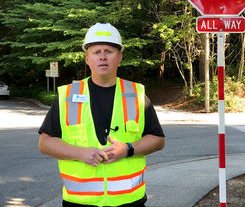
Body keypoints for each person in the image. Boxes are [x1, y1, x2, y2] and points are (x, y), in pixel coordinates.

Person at [38, 23, 165, 207]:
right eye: (96, 52)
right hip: (79, 203)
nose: (103, 57)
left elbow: (158, 139)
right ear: (87, 58)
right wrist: (79, 153)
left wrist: (128, 149)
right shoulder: (69, 95)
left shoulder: (135, 93)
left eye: (109, 51)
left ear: (119, 57)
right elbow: (45, 142)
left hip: (129, 202)